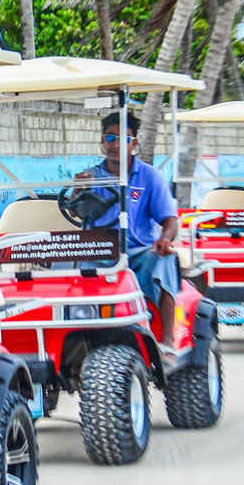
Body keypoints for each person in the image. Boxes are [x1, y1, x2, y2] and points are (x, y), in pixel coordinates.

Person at [71, 109, 182, 333]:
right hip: (101, 251)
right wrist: (78, 191)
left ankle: (168, 339)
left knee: (166, 260)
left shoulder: (149, 176)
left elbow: (169, 219)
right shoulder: (91, 176)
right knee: (70, 271)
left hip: (139, 250)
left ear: (134, 143)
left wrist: (165, 239)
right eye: (110, 138)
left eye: (124, 139)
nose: (116, 145)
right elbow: (76, 212)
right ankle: (82, 333)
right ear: (103, 142)